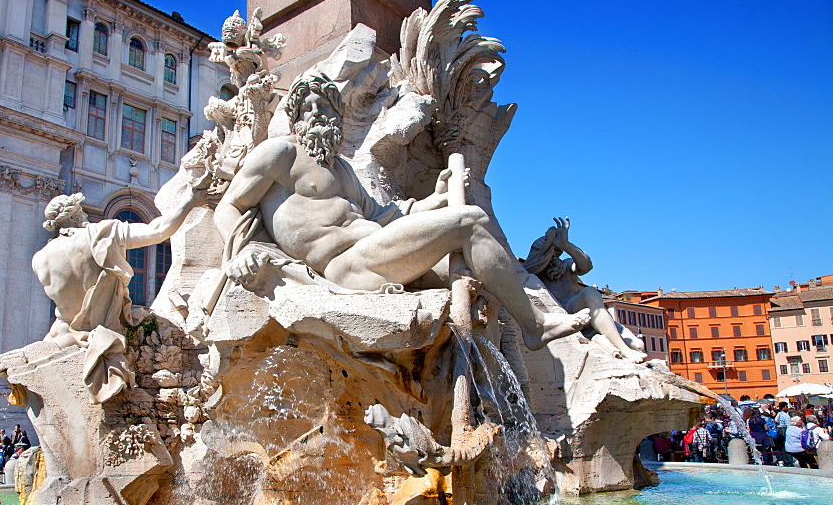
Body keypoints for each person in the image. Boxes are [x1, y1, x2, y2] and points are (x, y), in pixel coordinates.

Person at [213, 72, 591, 352]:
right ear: (294, 117)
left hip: (375, 249)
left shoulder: (342, 168)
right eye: (307, 107)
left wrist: (436, 197)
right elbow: (229, 205)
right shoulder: (281, 153)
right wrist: (242, 250)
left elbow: (385, 216)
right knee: (470, 221)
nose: (316, 113)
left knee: (482, 277)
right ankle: (534, 325)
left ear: (337, 115)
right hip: (344, 266)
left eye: (325, 106)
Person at [32, 182, 204, 403]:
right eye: (81, 212)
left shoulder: (40, 258)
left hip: (62, 338)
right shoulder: (99, 234)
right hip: (107, 335)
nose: (85, 215)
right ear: (75, 216)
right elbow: (158, 231)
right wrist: (191, 198)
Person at [523, 218, 647, 363]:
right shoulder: (533, 277)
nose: (554, 257)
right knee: (590, 292)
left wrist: (566, 245)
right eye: (551, 252)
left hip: (595, 315)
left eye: (557, 252)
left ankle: (604, 340)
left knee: (639, 345)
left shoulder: (566, 266)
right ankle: (622, 349)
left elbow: (586, 266)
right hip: (571, 316)